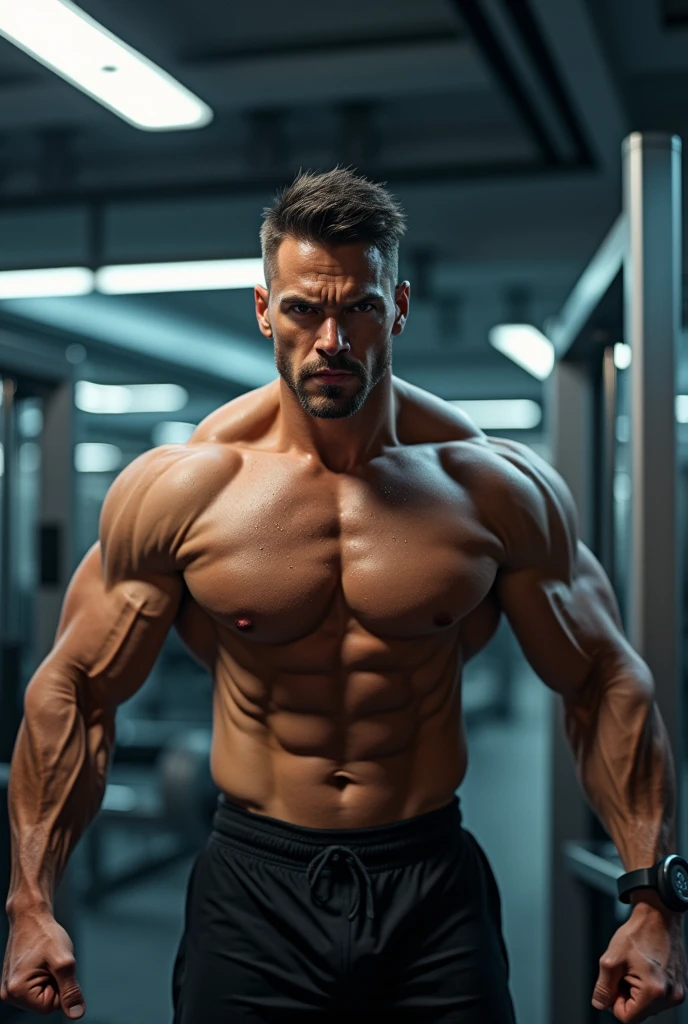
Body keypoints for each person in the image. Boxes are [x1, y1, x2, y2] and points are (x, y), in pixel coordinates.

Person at [1, 168, 686, 1024]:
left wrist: (654, 899)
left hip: (429, 879)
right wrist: (30, 902)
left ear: (396, 307)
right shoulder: (184, 490)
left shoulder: (492, 489)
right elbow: (74, 688)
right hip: (253, 881)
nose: (331, 338)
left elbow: (605, 682)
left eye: (358, 307)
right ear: (264, 311)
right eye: (302, 309)